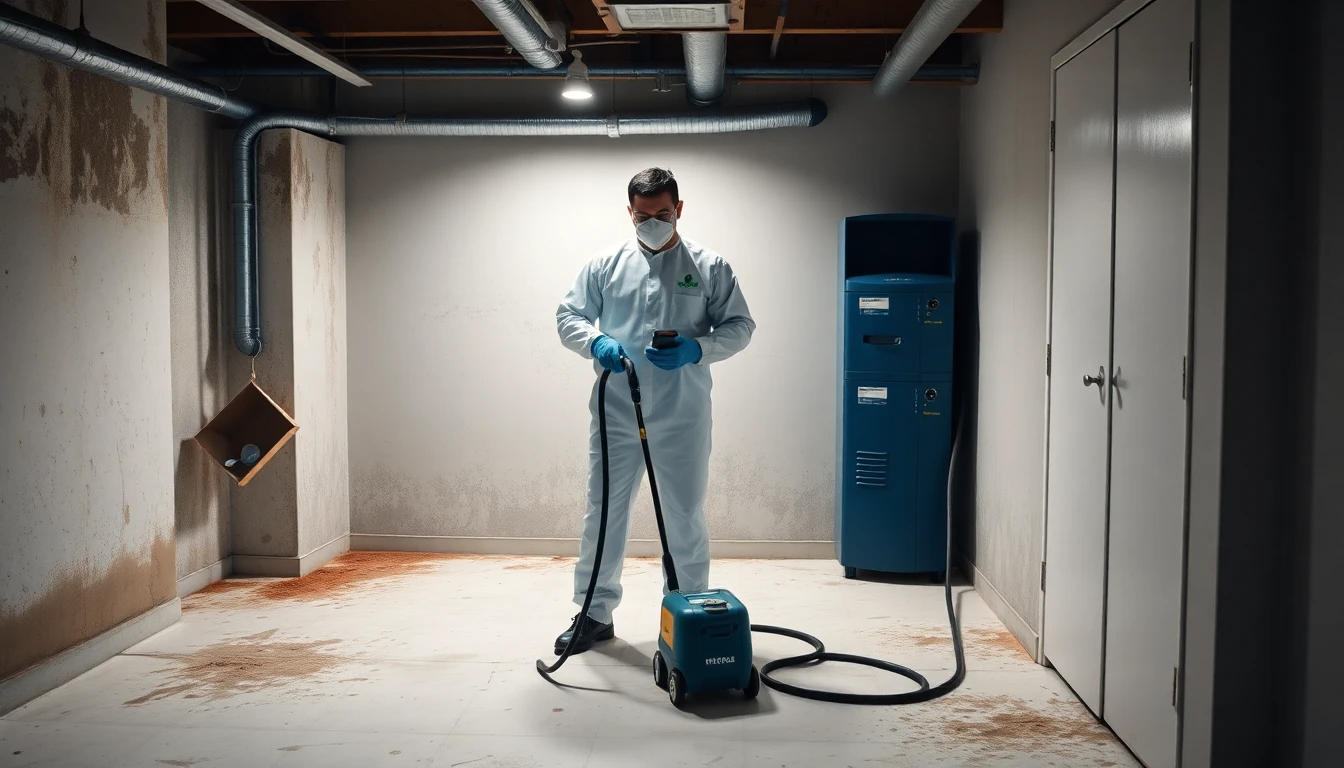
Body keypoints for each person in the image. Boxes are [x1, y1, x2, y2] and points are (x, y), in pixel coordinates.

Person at [554, 167, 755, 654]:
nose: (652, 224)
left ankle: (687, 611)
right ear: (630, 212)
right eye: (642, 216)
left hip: (682, 411)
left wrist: (697, 349)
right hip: (617, 410)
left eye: (662, 214)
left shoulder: (709, 266)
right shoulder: (605, 265)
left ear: (679, 209)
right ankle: (593, 612)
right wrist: (595, 341)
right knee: (604, 510)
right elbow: (568, 316)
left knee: (683, 512)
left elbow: (740, 326)